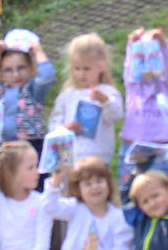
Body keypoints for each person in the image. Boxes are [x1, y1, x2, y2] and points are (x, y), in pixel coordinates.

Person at [48, 33, 125, 166]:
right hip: (69, 157)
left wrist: (105, 101)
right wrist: (65, 129)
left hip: (98, 156)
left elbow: (116, 116)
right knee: (69, 186)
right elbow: (54, 123)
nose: (81, 74)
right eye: (77, 68)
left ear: (101, 66)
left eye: (87, 69)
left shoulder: (107, 91)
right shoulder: (67, 94)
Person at [119, 27, 168, 189]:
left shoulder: (167, 88)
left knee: (160, 191)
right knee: (127, 192)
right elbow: (128, 69)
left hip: (159, 149)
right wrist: (131, 46)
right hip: (131, 148)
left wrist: (164, 46)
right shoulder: (133, 88)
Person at [0, 37, 56, 150]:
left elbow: (47, 76)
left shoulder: (33, 89)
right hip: (3, 144)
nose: (16, 75)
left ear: (31, 69)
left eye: (21, 68)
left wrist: (37, 51)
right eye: (8, 70)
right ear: (1, 74)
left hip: (32, 144)